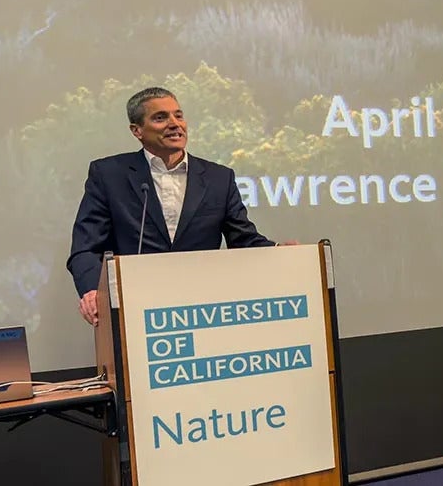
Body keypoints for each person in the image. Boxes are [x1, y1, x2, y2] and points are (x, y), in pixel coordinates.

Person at [67, 87, 286, 326]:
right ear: (137, 130)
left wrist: (281, 253)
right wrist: (93, 291)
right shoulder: (109, 175)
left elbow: (243, 239)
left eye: (178, 116)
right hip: (135, 311)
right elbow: (86, 248)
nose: (174, 124)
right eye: (160, 118)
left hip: (203, 310)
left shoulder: (218, 178)